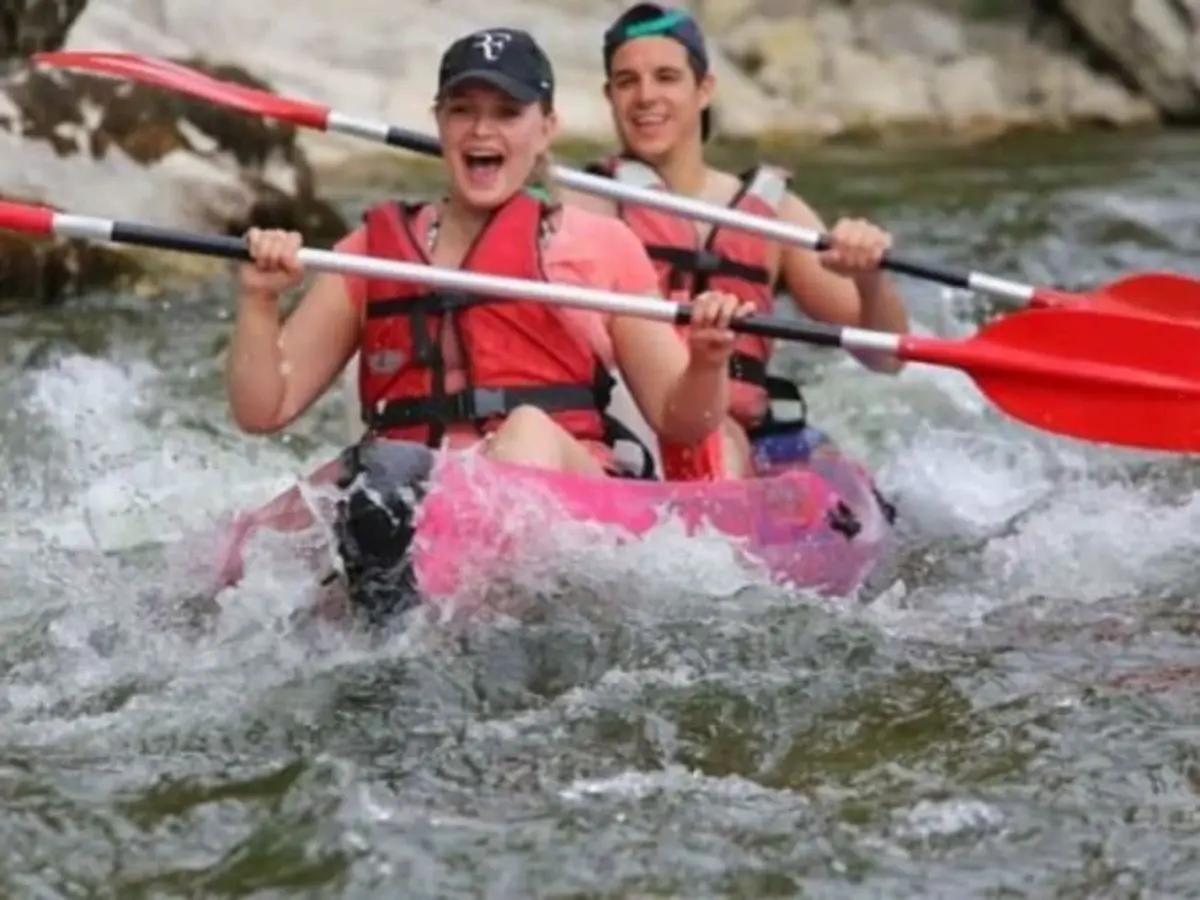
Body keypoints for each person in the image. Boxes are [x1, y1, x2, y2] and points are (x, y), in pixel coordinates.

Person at [223, 27, 746, 624]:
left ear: (545, 128)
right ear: (439, 123)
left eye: (507, 112)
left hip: (566, 503)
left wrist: (708, 359)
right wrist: (260, 300)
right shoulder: (371, 252)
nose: (481, 130)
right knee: (253, 549)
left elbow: (682, 422)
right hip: (406, 494)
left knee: (526, 429)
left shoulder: (601, 245)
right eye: (462, 111)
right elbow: (262, 409)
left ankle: (450, 625)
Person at [566, 2, 911, 480]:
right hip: (634, 425)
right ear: (610, 95)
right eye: (627, 82)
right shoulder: (583, 206)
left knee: (728, 443)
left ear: (704, 89)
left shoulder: (775, 215)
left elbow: (887, 357)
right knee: (711, 440)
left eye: (666, 77)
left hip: (742, 434)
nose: (646, 96)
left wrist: (870, 279)